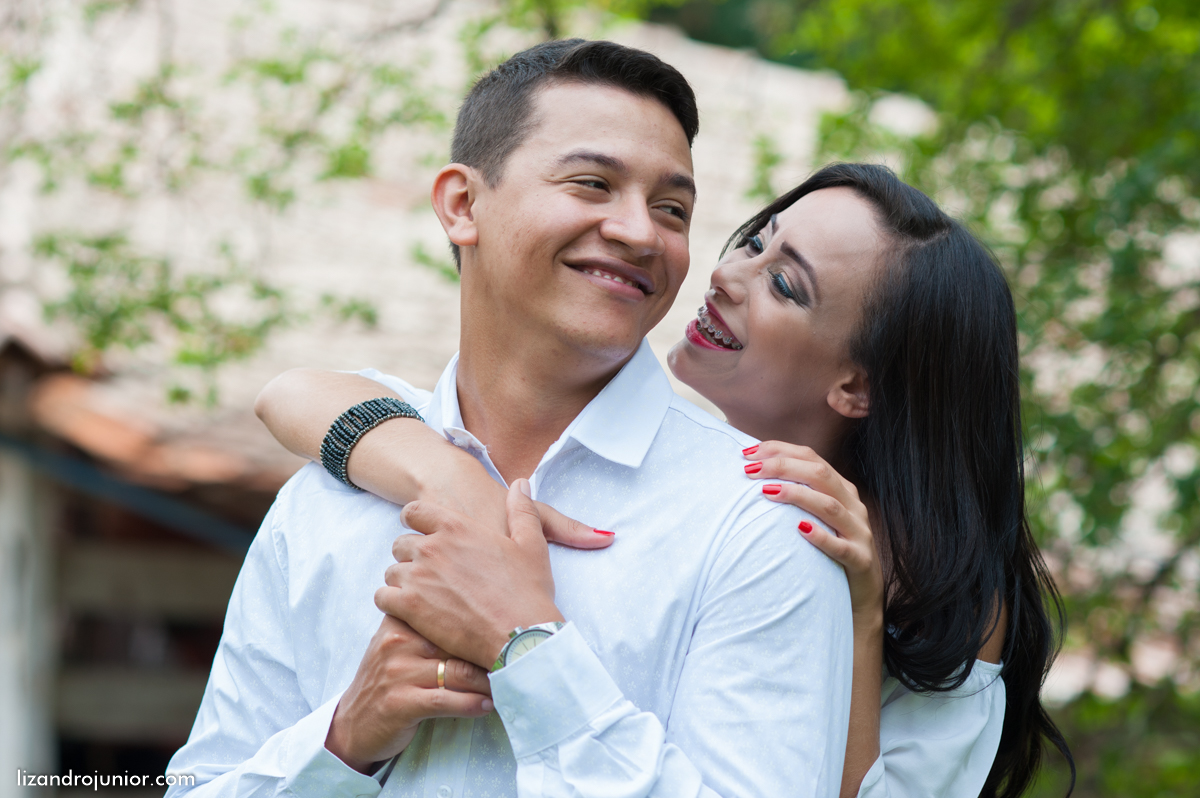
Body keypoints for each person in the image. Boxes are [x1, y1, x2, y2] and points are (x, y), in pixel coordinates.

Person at [253, 162, 1075, 798]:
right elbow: (292, 393)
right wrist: (453, 482)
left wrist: (858, 621)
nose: (729, 275)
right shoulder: (631, 459)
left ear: (856, 387)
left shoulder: (936, 590)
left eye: (785, 284)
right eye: (755, 240)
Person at [166, 39, 854, 798]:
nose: (640, 233)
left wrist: (530, 653)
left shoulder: (757, 522)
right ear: (463, 205)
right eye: (593, 183)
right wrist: (344, 740)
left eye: (672, 209)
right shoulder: (324, 499)